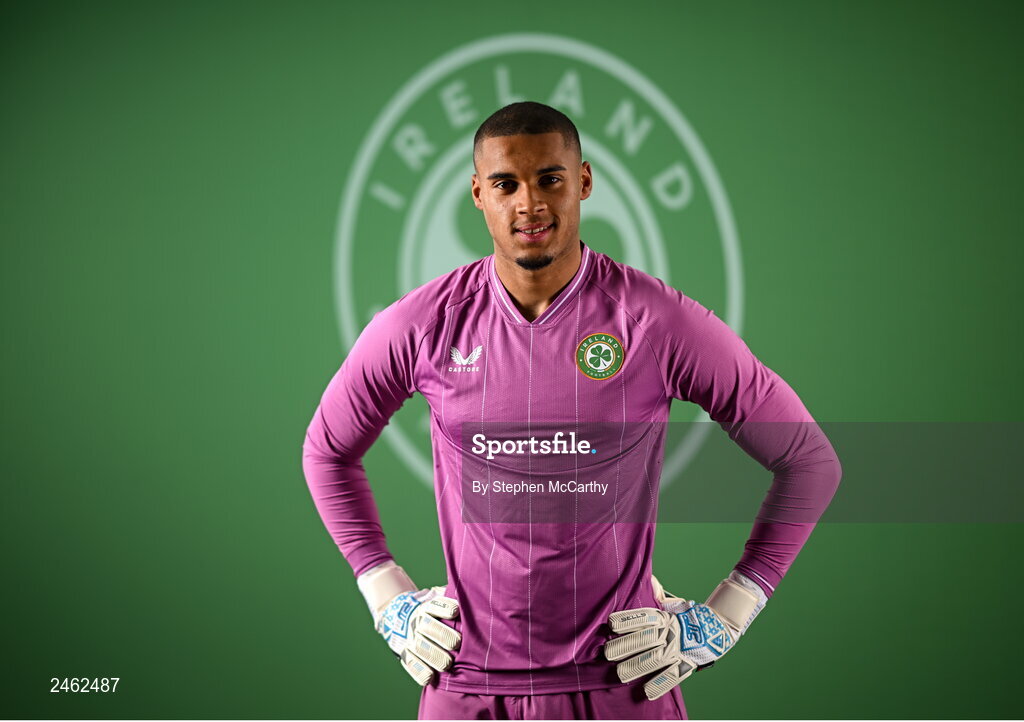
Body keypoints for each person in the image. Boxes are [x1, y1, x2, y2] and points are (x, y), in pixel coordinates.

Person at [302, 101, 842, 720]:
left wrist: (727, 614)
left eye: (549, 179)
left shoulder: (654, 322)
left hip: (623, 681)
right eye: (505, 184)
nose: (529, 204)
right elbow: (327, 451)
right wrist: (384, 592)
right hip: (464, 682)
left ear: (583, 181)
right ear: (478, 194)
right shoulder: (423, 323)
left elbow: (808, 459)